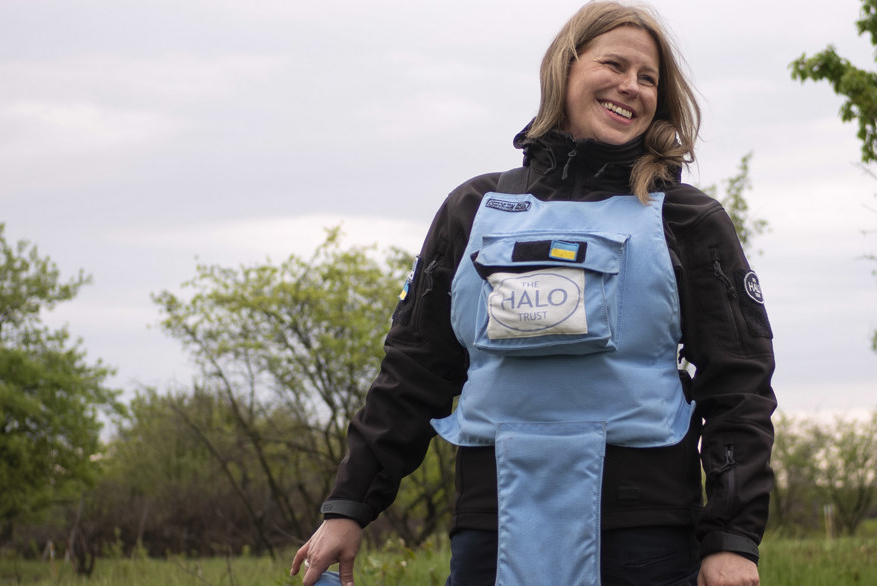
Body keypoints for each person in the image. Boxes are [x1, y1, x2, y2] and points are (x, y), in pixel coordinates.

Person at [289, 3, 774, 585]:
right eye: (614, 65)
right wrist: (348, 507)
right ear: (564, 69)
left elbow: (740, 387)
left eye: (648, 79)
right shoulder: (473, 210)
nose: (631, 86)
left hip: (643, 536)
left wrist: (732, 538)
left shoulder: (689, 220)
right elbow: (413, 372)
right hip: (492, 532)